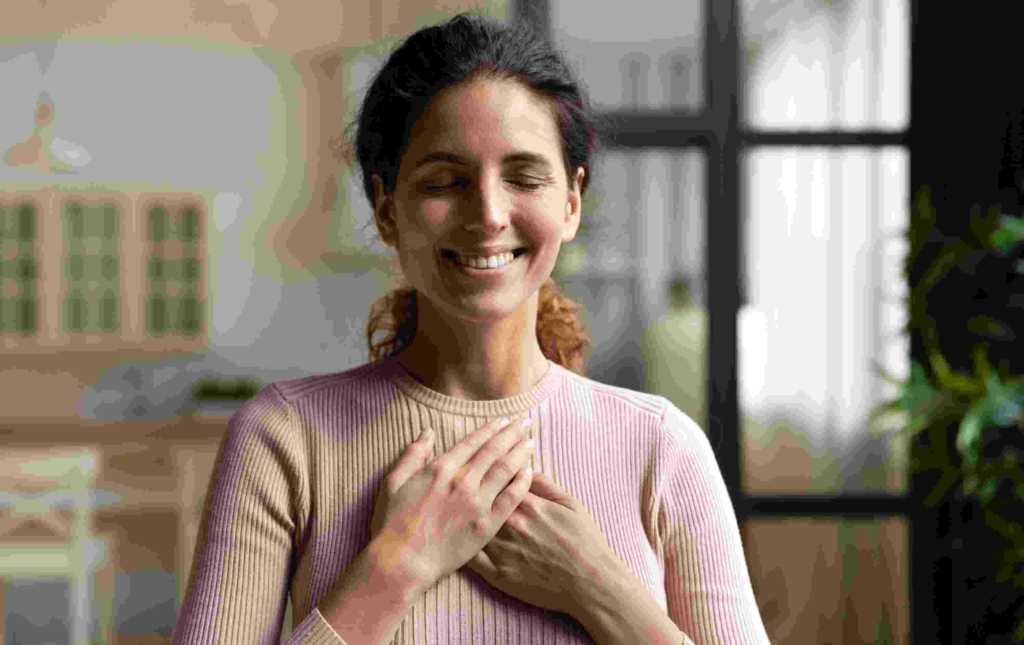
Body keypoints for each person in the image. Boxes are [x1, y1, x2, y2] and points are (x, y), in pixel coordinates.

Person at [172, 12, 770, 645]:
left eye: (524, 176)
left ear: (571, 201)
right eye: (445, 181)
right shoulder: (283, 441)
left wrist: (598, 587)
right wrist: (394, 567)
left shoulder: (663, 448)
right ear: (385, 209)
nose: (488, 213)